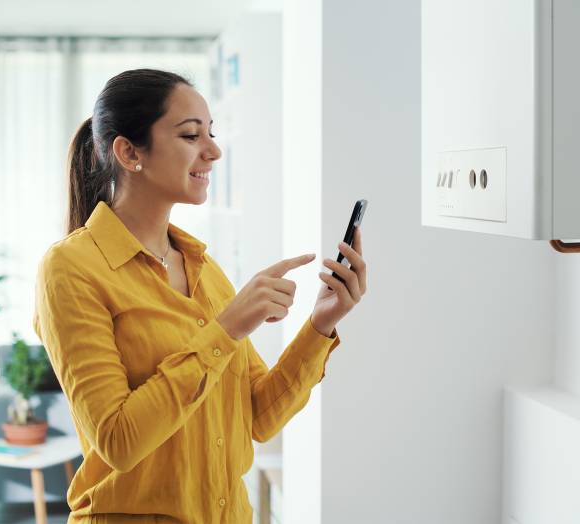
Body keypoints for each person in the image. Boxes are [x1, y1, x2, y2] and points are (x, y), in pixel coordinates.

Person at [32, 68, 367, 523]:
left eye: (211, 133)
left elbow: (259, 417)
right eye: (191, 136)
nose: (213, 151)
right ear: (130, 152)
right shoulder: (71, 268)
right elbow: (118, 441)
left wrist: (320, 325)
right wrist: (225, 329)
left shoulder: (202, 268)